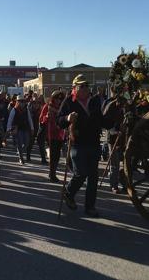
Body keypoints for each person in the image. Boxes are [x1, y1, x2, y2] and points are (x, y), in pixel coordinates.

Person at [57, 74, 117, 218]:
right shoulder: (69, 102)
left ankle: (90, 207)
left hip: (93, 143)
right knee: (81, 172)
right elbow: (59, 121)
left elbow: (102, 121)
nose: (85, 89)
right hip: (77, 143)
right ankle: (69, 193)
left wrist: (115, 121)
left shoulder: (94, 101)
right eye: (81, 86)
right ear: (74, 88)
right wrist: (67, 118)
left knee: (93, 177)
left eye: (86, 86)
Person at [40, 90, 65, 182]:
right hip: (51, 134)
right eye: (57, 99)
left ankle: (52, 173)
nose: (59, 101)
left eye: (60, 99)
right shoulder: (48, 106)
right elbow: (41, 120)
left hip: (60, 134)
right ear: (53, 99)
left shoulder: (62, 107)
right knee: (54, 155)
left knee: (57, 155)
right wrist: (46, 116)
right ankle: (52, 175)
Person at [7, 96, 33, 165]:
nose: (22, 103)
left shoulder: (26, 109)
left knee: (27, 143)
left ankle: (19, 151)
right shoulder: (14, 109)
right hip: (18, 129)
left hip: (25, 128)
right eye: (20, 101)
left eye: (23, 101)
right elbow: (10, 120)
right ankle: (21, 158)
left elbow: (29, 119)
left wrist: (32, 128)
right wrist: (8, 129)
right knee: (19, 143)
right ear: (17, 102)